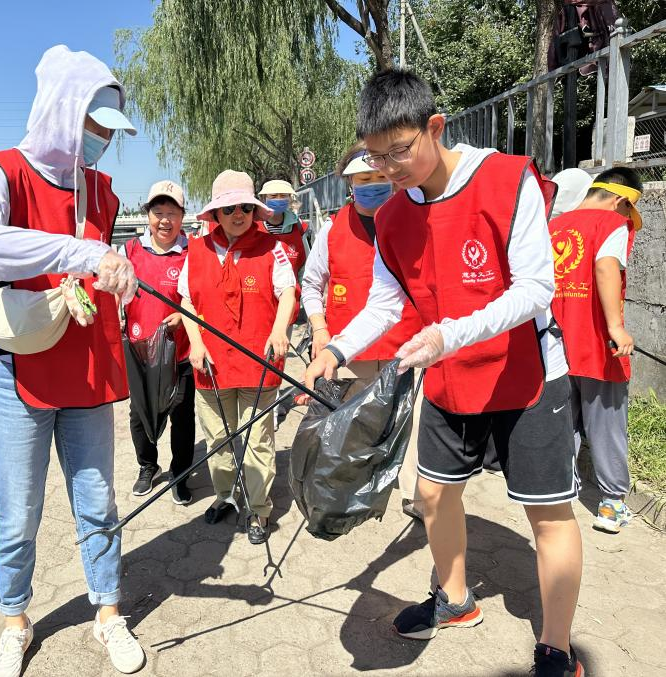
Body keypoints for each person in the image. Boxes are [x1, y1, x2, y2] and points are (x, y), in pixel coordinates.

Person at [305, 69, 584, 677]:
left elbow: (537, 288)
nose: (389, 170)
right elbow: (384, 302)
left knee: (549, 513)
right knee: (432, 493)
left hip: (527, 375)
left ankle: (557, 646)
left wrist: (448, 333)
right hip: (449, 375)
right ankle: (455, 599)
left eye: (399, 151)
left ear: (436, 127)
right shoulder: (396, 218)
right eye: (376, 159)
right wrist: (337, 347)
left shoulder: (508, 180)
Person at [0, 46, 145, 676]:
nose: (101, 143)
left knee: (97, 502)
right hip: (15, 371)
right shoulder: (1, 172)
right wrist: (79, 253)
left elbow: (102, 266)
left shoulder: (105, 192)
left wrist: (122, 273)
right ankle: (15, 620)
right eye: (95, 127)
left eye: (110, 133)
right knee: (17, 513)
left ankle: (109, 613)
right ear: (65, 112)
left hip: (85, 367)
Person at [300, 144, 425, 520]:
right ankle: (356, 493)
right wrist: (320, 330)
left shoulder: (414, 221)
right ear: (350, 185)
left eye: (379, 178)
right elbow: (310, 284)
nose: (373, 185)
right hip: (350, 353)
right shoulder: (332, 231)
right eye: (363, 180)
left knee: (411, 426)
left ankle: (417, 498)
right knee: (353, 428)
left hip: (408, 348)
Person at [178, 170, 297, 545]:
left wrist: (279, 329)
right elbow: (186, 300)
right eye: (229, 208)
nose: (238, 214)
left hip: (257, 364)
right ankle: (226, 495)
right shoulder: (195, 250)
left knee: (258, 439)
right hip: (209, 365)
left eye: (245, 207)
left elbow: (289, 292)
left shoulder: (271, 247)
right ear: (216, 213)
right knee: (218, 438)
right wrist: (195, 343)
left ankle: (259, 509)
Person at [548, 167, 644, 534]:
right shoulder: (610, 225)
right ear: (620, 200)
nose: (626, 221)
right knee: (606, 424)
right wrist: (617, 328)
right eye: (627, 213)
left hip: (557, 343)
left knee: (563, 422)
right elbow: (605, 268)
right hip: (598, 345)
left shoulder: (554, 226)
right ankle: (611, 505)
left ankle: (558, 495)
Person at [120, 180, 195, 504]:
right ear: (147, 215)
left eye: (172, 213)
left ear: (182, 216)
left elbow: (199, 299)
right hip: (140, 353)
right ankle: (147, 466)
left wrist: (183, 318)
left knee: (182, 417)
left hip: (179, 352)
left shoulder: (193, 252)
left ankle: (180, 474)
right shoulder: (129, 251)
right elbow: (112, 293)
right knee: (140, 415)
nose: (165, 220)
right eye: (158, 212)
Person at [258, 179, 309, 275]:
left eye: (283, 196)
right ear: (263, 199)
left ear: (289, 198)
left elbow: (306, 264)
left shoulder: (298, 226)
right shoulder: (254, 227)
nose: (278, 199)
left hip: (293, 288)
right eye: (273, 196)